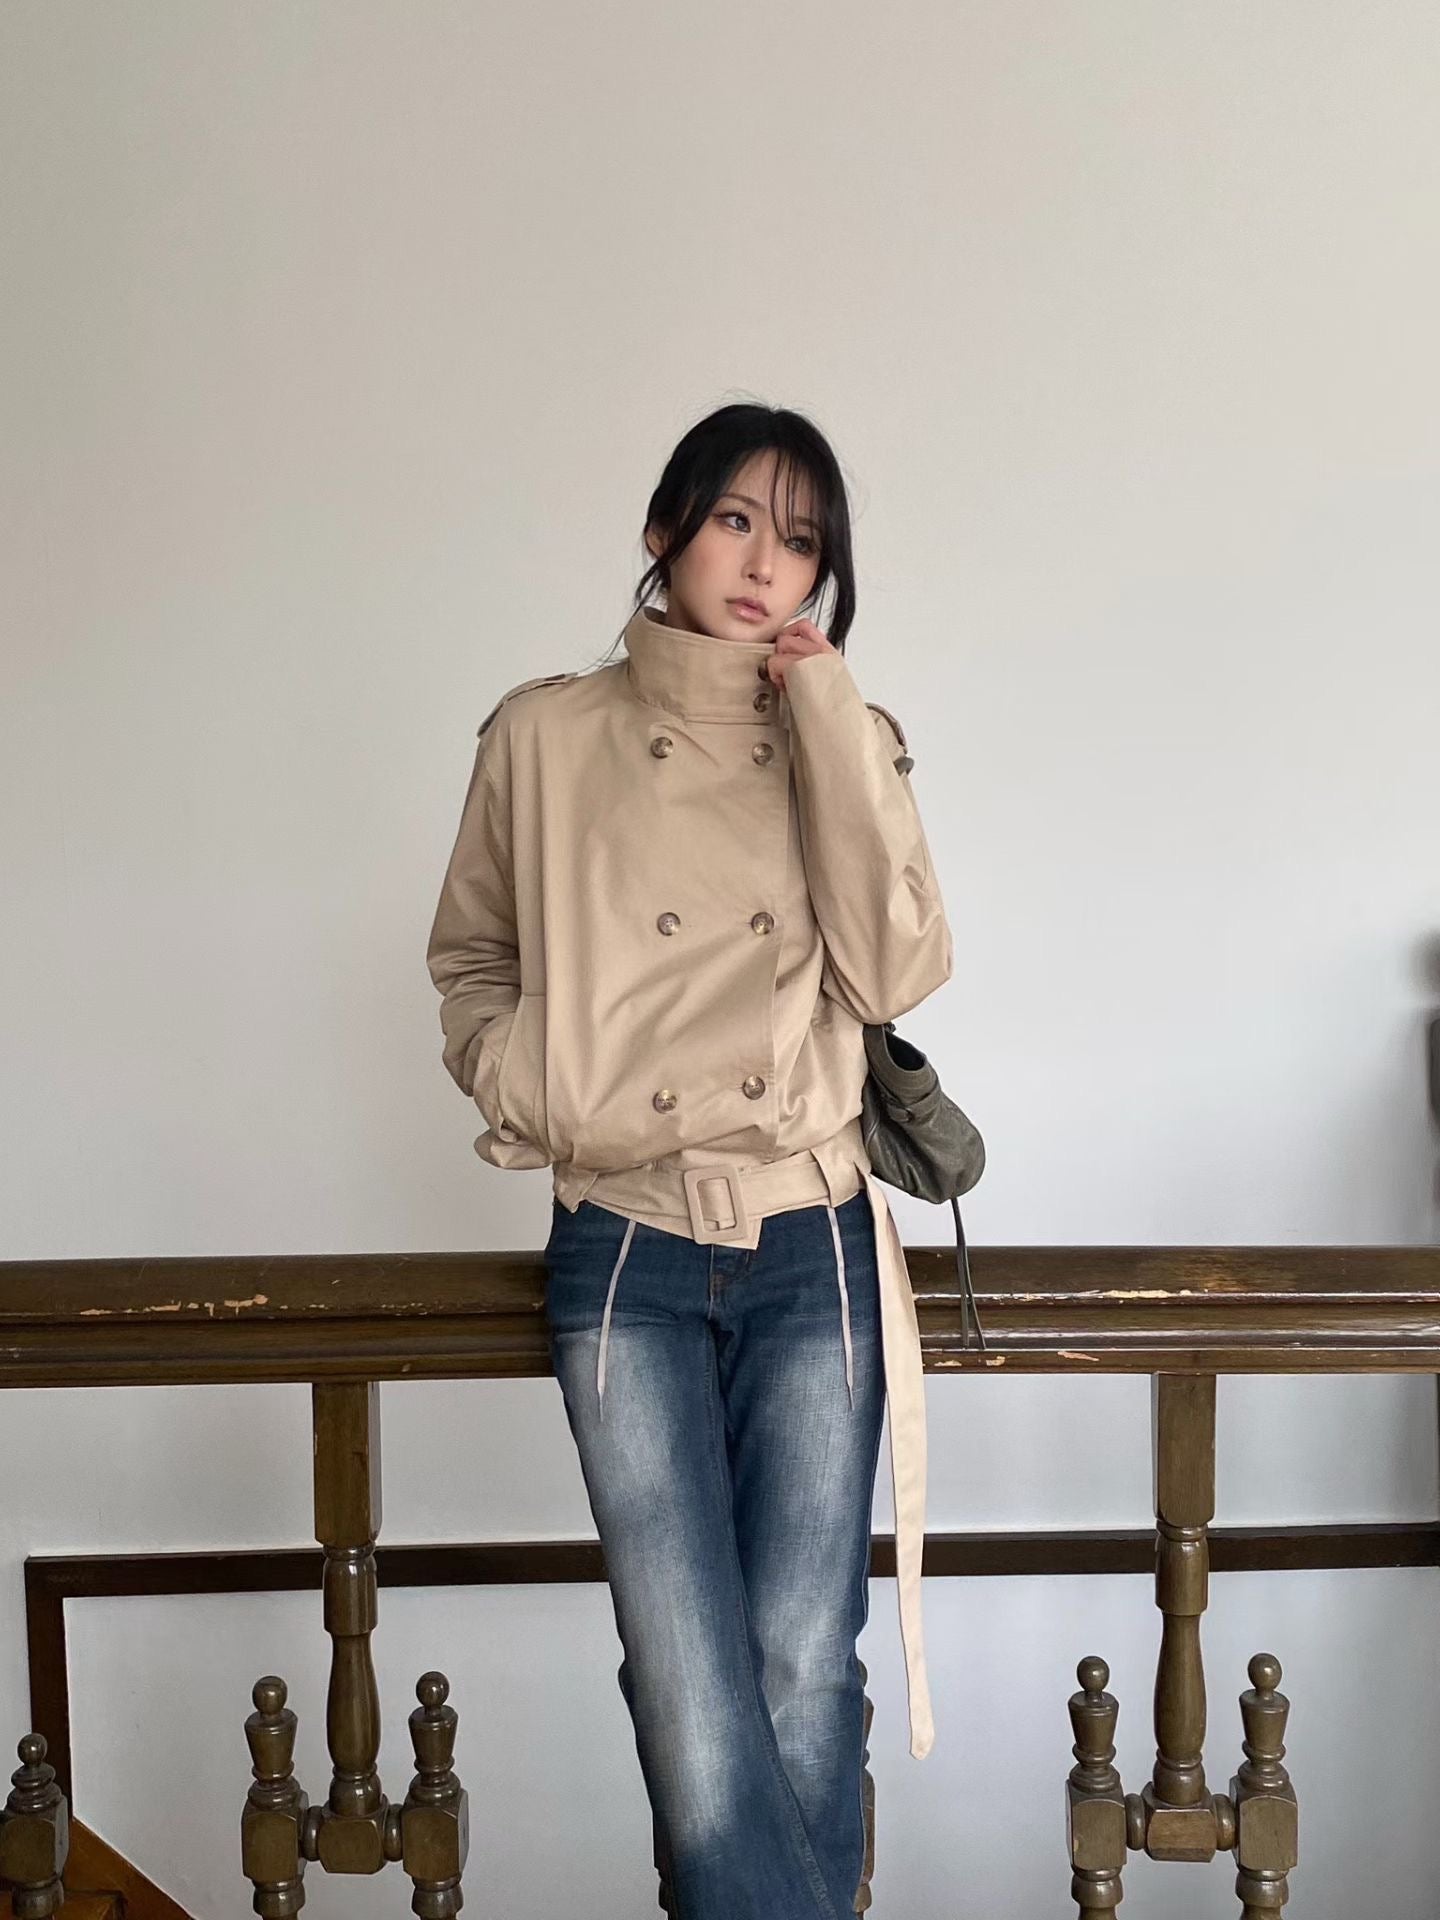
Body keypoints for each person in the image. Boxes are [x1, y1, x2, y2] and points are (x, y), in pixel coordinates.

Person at [426, 401, 954, 1918]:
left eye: (802, 542)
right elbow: (470, 959)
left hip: (812, 1236)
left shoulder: (849, 734)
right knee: (683, 1679)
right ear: (664, 529)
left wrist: (830, 721)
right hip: (626, 1243)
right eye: (735, 520)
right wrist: (537, 1080)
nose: (766, 565)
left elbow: (899, 969)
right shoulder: (543, 737)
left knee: (801, 1666)